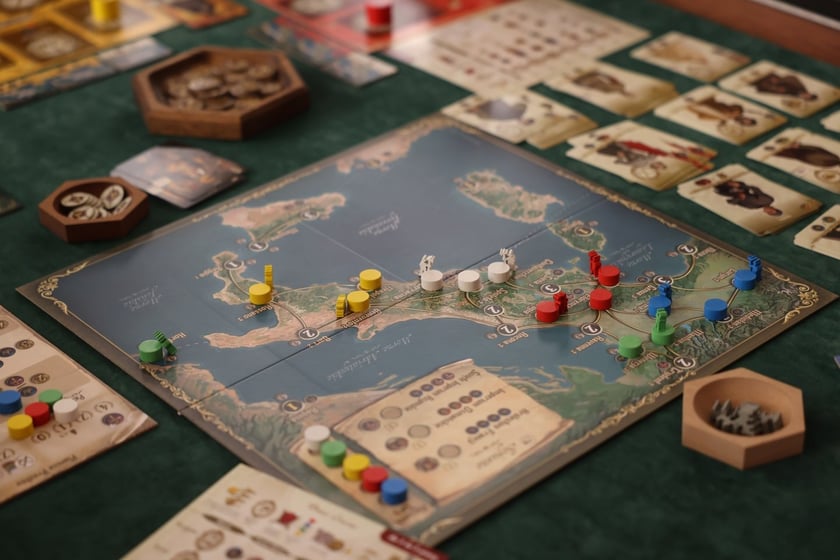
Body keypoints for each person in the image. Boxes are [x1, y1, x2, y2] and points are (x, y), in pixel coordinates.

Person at [713, 180, 782, 216]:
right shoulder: (768, 200)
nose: (768, 211)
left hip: (729, 193)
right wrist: (739, 185)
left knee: (717, 189)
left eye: (769, 213)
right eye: (771, 211)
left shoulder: (752, 207)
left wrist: (739, 197)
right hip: (740, 188)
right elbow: (755, 189)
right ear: (774, 208)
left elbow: (731, 202)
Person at [750, 72, 818, 101]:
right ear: (809, 93)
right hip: (778, 82)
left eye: (806, 98)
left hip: (773, 87)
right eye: (808, 96)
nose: (805, 96)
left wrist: (778, 89)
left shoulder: (796, 96)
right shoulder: (800, 87)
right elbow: (792, 78)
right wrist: (780, 81)